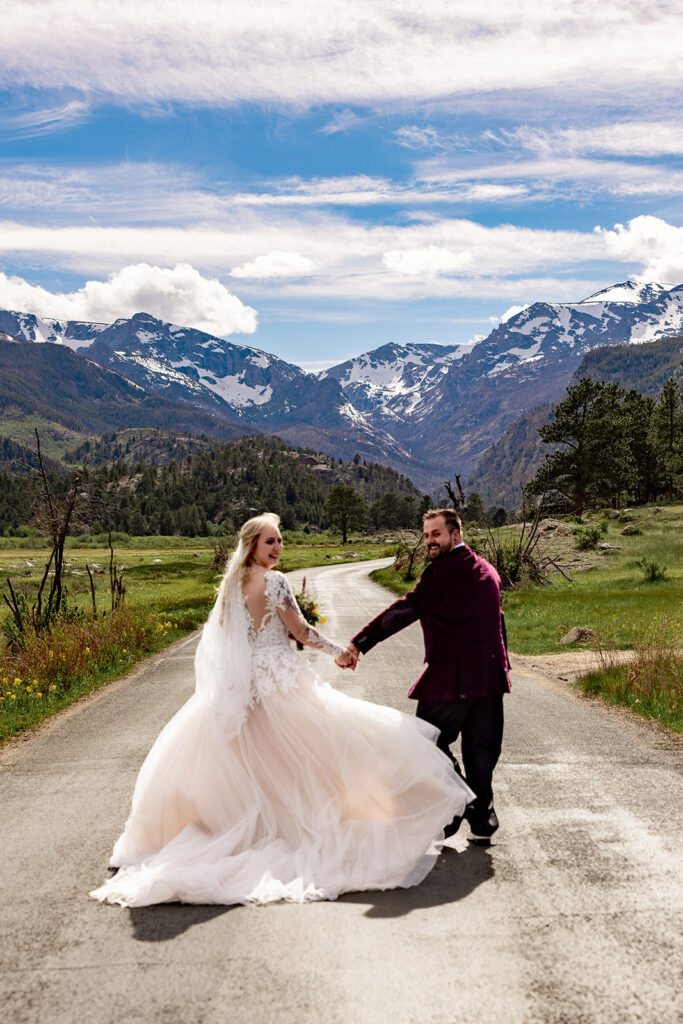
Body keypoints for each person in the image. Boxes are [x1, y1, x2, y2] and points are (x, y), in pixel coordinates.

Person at [90, 512, 474, 907]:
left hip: (244, 686)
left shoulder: (231, 586)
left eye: (279, 541)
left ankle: (262, 829)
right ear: (252, 546)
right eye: (270, 541)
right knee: (324, 746)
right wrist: (339, 651)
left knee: (260, 761)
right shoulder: (275, 581)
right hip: (279, 679)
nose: (277, 547)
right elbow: (301, 632)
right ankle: (309, 827)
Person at [339, 508, 510, 843]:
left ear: (455, 535)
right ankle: (482, 821)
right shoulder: (488, 571)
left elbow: (403, 611)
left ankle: (460, 802)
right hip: (491, 676)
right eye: (427, 534)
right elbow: (499, 623)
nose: (430, 541)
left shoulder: (442, 574)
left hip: (451, 678)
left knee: (425, 742)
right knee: (481, 750)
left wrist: (359, 643)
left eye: (437, 534)